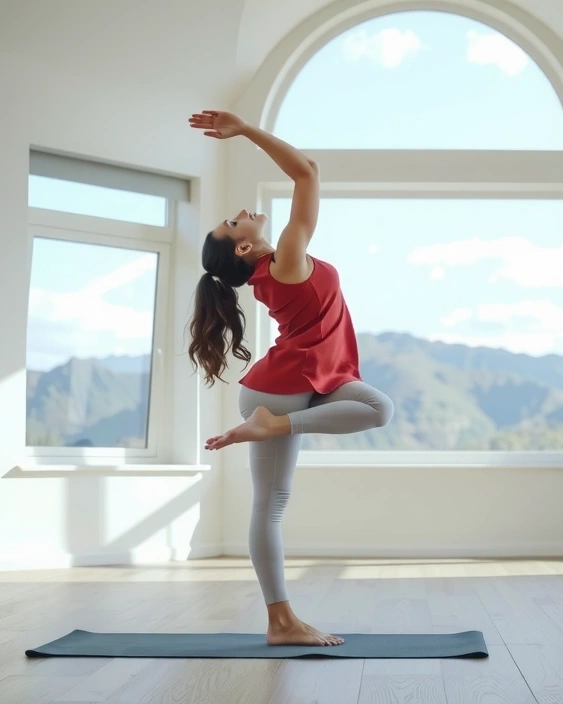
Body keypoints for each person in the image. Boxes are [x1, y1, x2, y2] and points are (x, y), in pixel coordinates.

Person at [186, 110, 393, 647]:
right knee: (377, 412)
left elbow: (309, 170)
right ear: (243, 249)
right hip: (280, 390)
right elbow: (306, 174)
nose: (239, 214)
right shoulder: (288, 260)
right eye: (234, 224)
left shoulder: (271, 267)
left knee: (274, 502)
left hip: (304, 383)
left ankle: (281, 622)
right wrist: (247, 131)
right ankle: (282, 621)